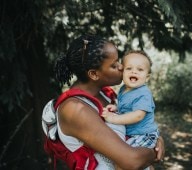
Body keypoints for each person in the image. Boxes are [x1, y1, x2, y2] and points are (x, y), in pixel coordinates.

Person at [53, 34, 164, 170]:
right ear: (94, 74)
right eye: (114, 65)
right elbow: (132, 161)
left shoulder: (104, 94)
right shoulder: (74, 109)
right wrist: (155, 150)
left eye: (119, 61)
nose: (122, 67)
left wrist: (156, 138)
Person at [102, 50, 159, 170]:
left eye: (140, 69)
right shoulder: (124, 89)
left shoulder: (143, 94)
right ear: (122, 72)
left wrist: (114, 118)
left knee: (122, 161)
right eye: (129, 68)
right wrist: (116, 107)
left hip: (144, 135)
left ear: (147, 77)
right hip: (133, 135)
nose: (134, 71)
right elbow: (128, 107)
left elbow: (138, 115)